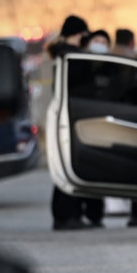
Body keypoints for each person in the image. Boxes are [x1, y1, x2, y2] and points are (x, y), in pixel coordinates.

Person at [48, 14, 101, 231]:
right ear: (80, 34)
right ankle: (68, 215)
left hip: (65, 116)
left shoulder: (62, 55)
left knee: (65, 166)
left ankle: (65, 215)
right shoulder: (74, 59)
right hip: (73, 117)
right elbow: (84, 89)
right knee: (71, 168)